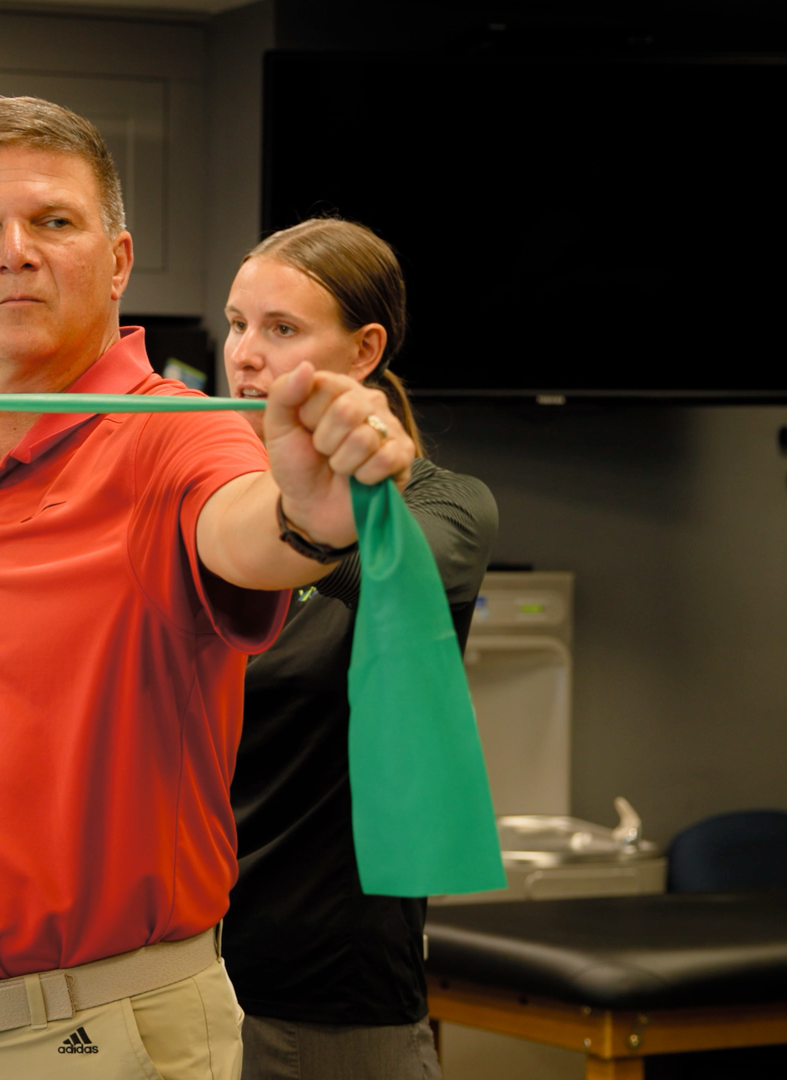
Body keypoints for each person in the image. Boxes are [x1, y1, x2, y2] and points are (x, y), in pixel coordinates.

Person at [0, 97, 416, 1079]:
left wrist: (310, 513)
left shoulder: (175, 435)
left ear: (117, 259)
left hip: (71, 1040)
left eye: (53, 222)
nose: (15, 250)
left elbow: (244, 528)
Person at [219, 217, 498, 1080]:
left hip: (324, 991)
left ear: (365, 348)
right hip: (178, 973)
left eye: (282, 329)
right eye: (236, 324)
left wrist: (318, 514)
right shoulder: (217, 504)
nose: (245, 354)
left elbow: (392, 575)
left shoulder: (444, 510)